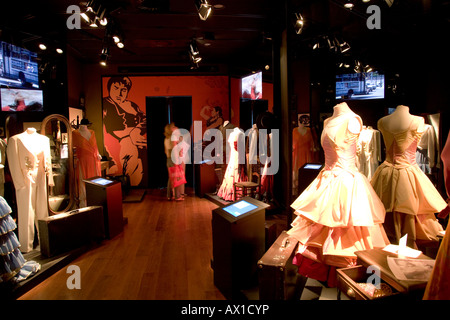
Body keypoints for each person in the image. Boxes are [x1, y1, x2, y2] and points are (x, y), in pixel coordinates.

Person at [287, 102, 389, 286]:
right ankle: (325, 276)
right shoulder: (328, 121)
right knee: (322, 227)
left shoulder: (353, 119)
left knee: (346, 228)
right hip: (326, 180)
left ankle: (347, 277)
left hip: (347, 183)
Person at [370, 105, 447, 248]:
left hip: (387, 173)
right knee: (404, 209)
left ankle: (401, 243)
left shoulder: (384, 121)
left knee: (404, 209)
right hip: (405, 172)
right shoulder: (416, 121)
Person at [103, 76, 147, 187]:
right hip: (120, 144)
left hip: (137, 141)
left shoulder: (131, 105)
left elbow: (145, 119)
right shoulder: (105, 104)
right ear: (109, 89)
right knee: (130, 151)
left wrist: (136, 130)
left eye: (123, 90)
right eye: (116, 88)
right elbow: (108, 131)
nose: (119, 93)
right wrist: (130, 134)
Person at [72, 118, 102, 207]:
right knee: (82, 180)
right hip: (82, 160)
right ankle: (83, 202)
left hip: (93, 160)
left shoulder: (92, 132)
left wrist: (98, 153)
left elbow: (95, 146)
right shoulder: (75, 133)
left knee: (94, 179)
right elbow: (74, 147)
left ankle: (95, 199)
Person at [164, 123, 184, 201]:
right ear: (170, 129)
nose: (175, 127)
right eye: (173, 127)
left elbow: (166, 151)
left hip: (168, 159)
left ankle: (169, 195)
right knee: (176, 178)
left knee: (171, 178)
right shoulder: (173, 137)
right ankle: (177, 196)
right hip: (173, 159)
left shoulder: (166, 139)